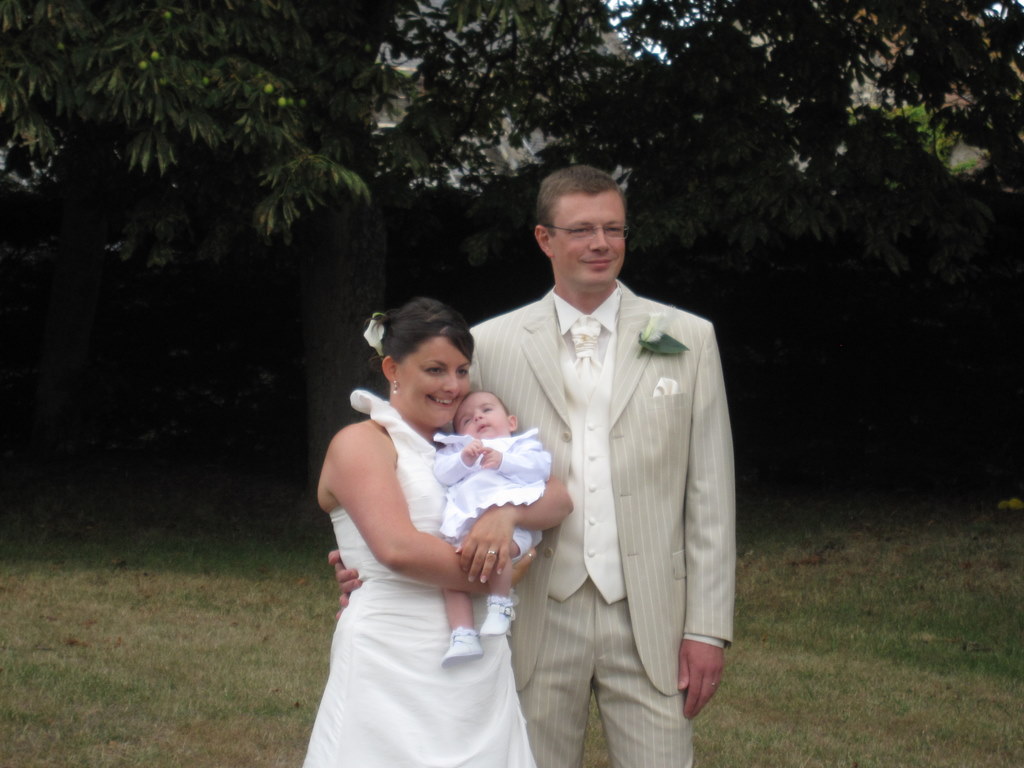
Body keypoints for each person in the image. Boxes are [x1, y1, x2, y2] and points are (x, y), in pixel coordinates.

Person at [333, 165, 736, 768]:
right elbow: (423, 460)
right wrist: (359, 550)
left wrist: (706, 627)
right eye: (581, 230)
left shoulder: (688, 338)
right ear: (545, 239)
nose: (601, 243)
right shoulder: (489, 345)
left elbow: (710, 495)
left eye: (613, 229)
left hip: (652, 612)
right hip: (531, 610)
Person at [302, 297, 571, 768]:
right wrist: (504, 574)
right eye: (435, 370)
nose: (453, 386)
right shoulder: (361, 442)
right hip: (391, 654)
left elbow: (555, 496)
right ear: (393, 368)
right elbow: (398, 549)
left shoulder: (465, 446)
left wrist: (506, 514)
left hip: (479, 658)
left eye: (462, 371)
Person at [434, 390, 552, 667]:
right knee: (450, 577)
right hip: (466, 527)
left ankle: (500, 606)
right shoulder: (459, 451)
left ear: (511, 422)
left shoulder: (520, 446)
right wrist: (463, 459)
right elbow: (442, 473)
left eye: (486, 410)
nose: (477, 417)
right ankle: (463, 634)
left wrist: (504, 461)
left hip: (512, 526)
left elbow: (541, 469)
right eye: (466, 420)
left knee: (499, 551)